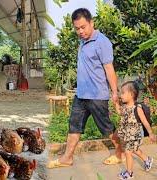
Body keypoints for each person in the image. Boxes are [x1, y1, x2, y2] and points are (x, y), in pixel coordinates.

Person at [47, 8, 123, 168]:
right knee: (74, 126)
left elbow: (109, 69)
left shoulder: (102, 42)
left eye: (83, 27)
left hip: (97, 96)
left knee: (107, 128)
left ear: (91, 23)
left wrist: (115, 92)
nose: (80, 31)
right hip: (81, 95)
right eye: (77, 28)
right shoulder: (82, 41)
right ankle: (67, 158)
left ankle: (120, 152)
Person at [115, 81, 156, 179]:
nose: (121, 95)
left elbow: (145, 122)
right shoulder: (125, 107)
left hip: (135, 135)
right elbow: (120, 114)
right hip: (128, 135)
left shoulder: (137, 108)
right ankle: (147, 160)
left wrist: (150, 133)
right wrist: (116, 103)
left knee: (128, 152)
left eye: (123, 93)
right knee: (135, 150)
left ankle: (129, 173)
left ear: (131, 94)